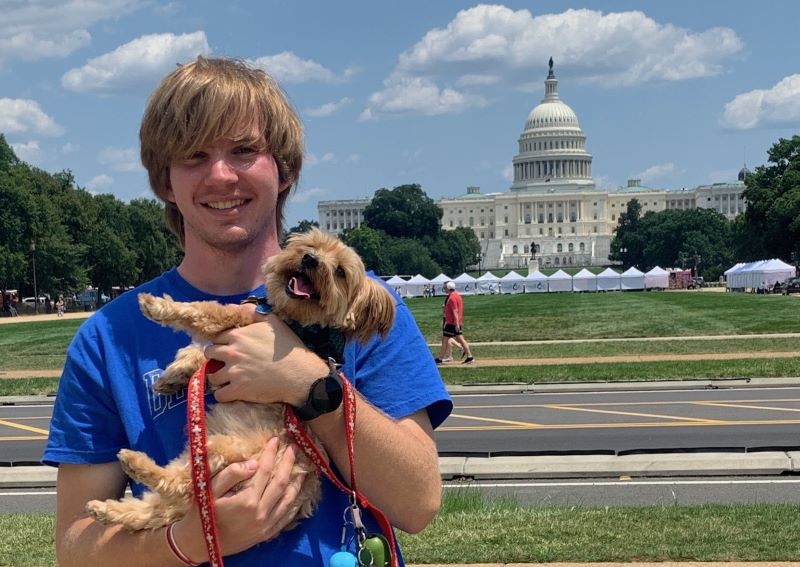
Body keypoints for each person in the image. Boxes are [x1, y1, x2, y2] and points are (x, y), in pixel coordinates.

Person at [44, 57, 451, 567]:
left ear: (284, 170)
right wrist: (195, 540)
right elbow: (75, 548)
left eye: (243, 150)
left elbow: (418, 502)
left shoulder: (359, 309)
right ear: (165, 182)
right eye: (193, 155)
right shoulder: (108, 337)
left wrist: (310, 386)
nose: (220, 175)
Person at [434, 281, 474, 365]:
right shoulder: (457, 296)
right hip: (456, 322)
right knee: (461, 340)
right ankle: (470, 356)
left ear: (448, 288)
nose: (444, 289)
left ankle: (440, 358)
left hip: (451, 323)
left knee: (445, 340)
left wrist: (456, 324)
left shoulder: (451, 298)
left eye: (445, 287)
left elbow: (455, 311)